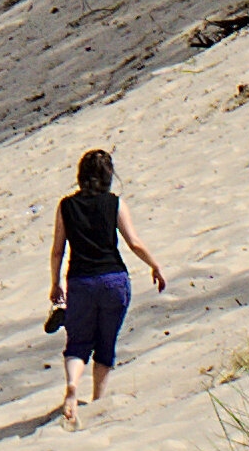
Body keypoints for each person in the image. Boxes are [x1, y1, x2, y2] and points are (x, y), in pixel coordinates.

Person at [39, 147, 169, 426]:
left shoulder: (66, 206)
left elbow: (57, 250)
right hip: (114, 280)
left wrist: (55, 284)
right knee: (105, 342)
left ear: (80, 176)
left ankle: (73, 388)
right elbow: (133, 242)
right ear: (109, 176)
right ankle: (99, 399)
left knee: (77, 342)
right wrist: (154, 265)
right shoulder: (115, 203)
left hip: (80, 282)